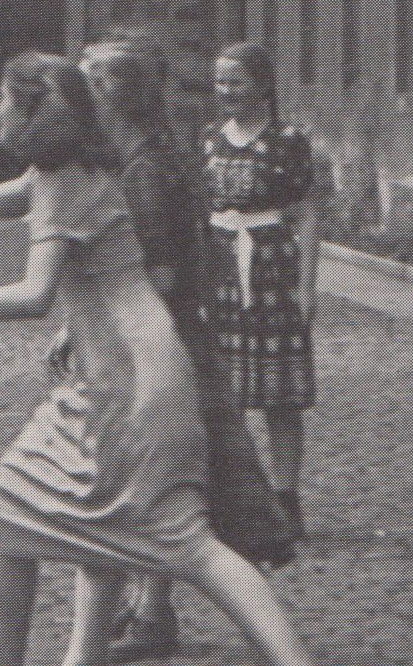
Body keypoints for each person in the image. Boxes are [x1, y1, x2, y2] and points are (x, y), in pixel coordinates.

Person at [0, 51, 315, 666]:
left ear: (33, 114)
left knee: (180, 542)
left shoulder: (65, 185)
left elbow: (34, 294)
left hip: (133, 381)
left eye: (4, 98)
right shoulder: (70, 171)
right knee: (46, 515)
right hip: (120, 373)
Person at [81, 36, 293, 663]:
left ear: (114, 98)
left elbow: (162, 270)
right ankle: (147, 611)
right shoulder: (145, 157)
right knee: (153, 482)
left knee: (153, 486)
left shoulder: (145, 170)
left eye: (89, 88)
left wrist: (104, 310)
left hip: (155, 345)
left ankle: (159, 617)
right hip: (162, 340)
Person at [201, 43, 318, 538]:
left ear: (263, 85)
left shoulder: (287, 142)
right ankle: (235, 498)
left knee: (278, 394)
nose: (226, 91)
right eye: (220, 82)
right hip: (220, 265)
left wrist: (306, 286)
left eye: (236, 82)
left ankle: (285, 497)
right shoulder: (210, 140)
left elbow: (306, 214)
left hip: (270, 266)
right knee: (220, 391)